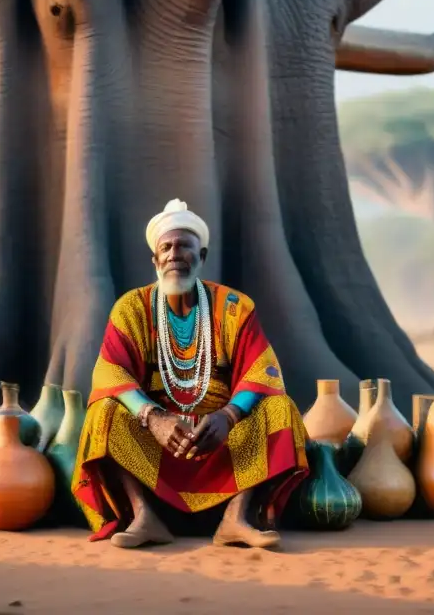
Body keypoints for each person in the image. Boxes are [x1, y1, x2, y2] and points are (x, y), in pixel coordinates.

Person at [72, 199, 309, 550]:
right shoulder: (131, 308)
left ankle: (236, 517)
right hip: (155, 443)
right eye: (166, 247)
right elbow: (110, 370)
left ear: (203, 255)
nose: (174, 254)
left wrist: (229, 416)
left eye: (185, 246)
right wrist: (153, 417)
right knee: (102, 413)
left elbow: (263, 368)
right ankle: (143, 516)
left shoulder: (235, 307)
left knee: (280, 408)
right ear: (155, 260)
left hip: (222, 440)